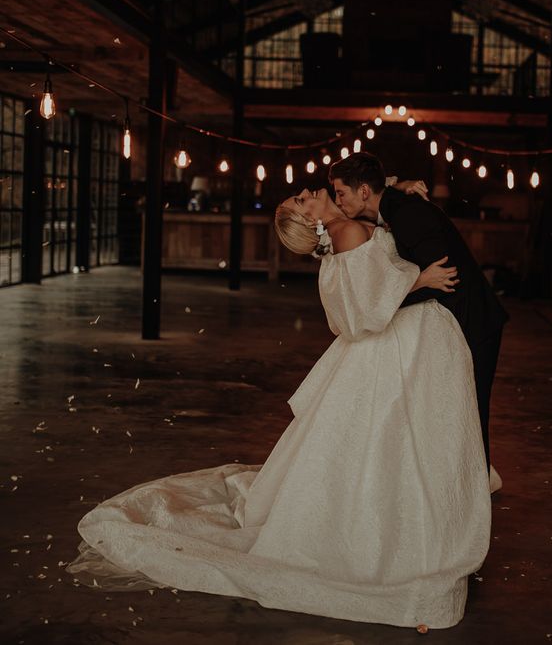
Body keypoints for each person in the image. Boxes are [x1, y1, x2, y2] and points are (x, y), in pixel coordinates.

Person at [66, 186, 492, 630]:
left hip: (401, 344)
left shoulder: (349, 225)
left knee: (390, 436)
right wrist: (419, 280)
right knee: (384, 434)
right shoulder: (344, 231)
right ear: (313, 223)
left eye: (302, 196)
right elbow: (363, 310)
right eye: (301, 202)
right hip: (389, 348)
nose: (308, 194)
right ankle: (387, 534)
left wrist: (398, 192)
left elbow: (371, 271)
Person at [330, 153, 508, 472]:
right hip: (454, 320)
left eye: (341, 192)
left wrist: (381, 301)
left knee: (471, 406)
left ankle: (475, 483)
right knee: (456, 406)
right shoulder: (394, 207)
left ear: (364, 192)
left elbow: (443, 277)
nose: (337, 200)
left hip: (473, 320)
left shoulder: (408, 214)